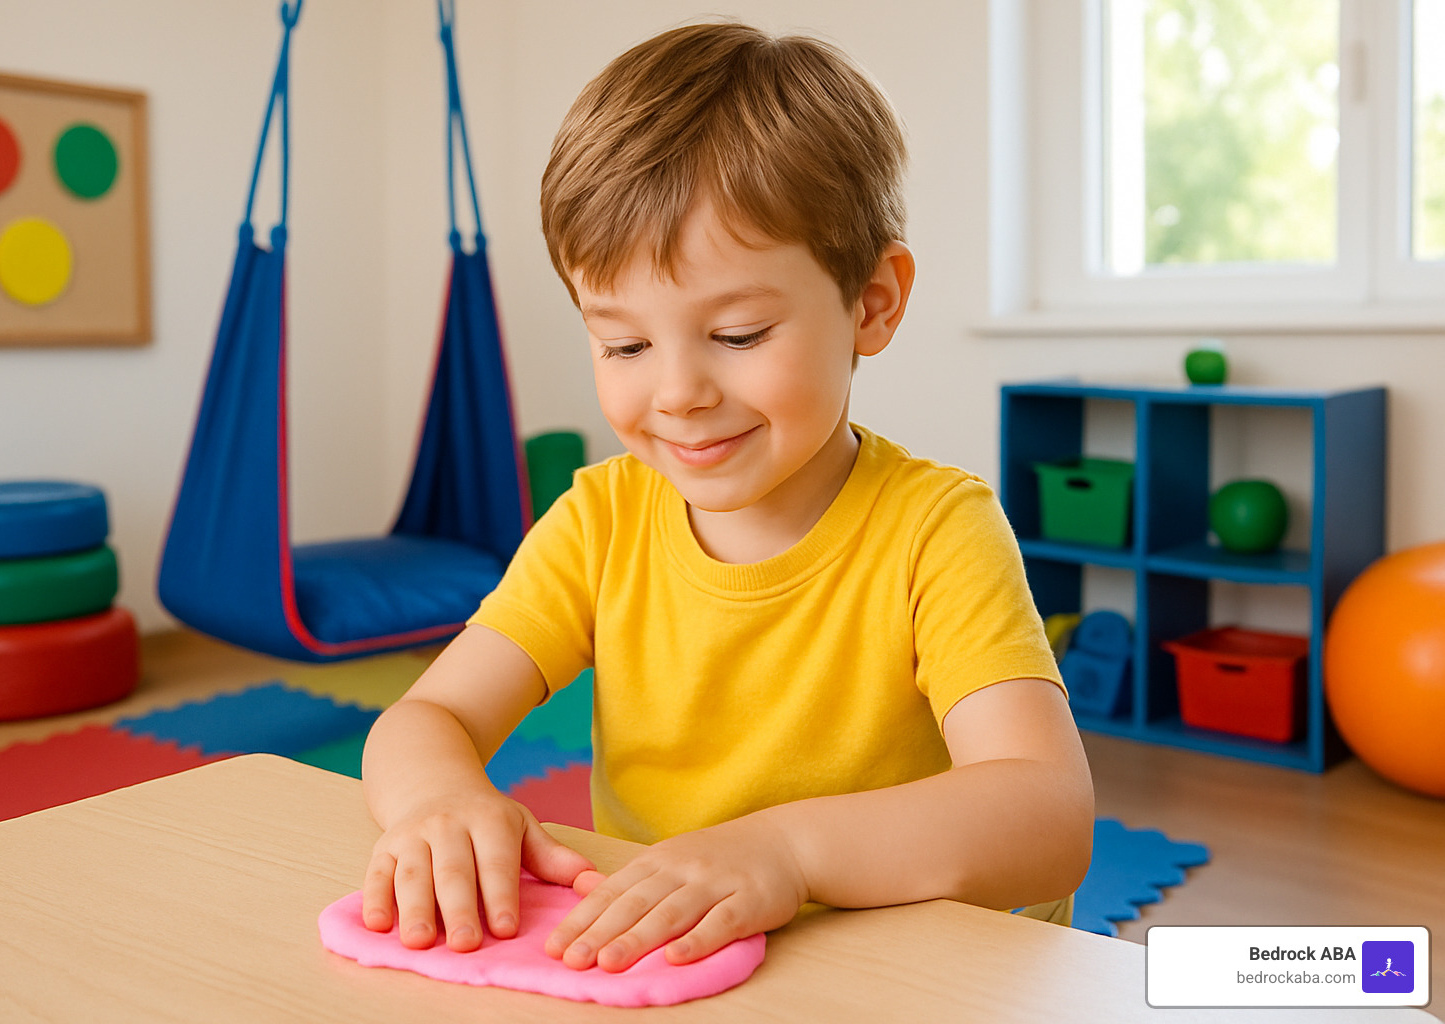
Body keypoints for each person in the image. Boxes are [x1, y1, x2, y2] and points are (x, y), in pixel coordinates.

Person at [359, 21, 1094, 974]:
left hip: (917, 970)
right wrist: (436, 803)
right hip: (684, 967)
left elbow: (1047, 814)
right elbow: (427, 720)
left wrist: (787, 852)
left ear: (872, 303)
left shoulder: (936, 529)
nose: (676, 393)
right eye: (624, 345)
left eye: (739, 334)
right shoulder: (599, 521)